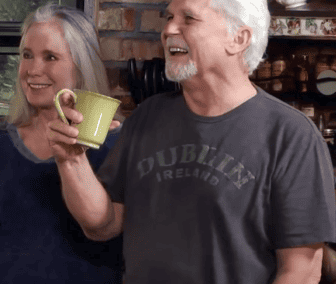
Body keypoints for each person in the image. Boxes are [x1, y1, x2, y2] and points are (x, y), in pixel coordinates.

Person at [43, 0, 336, 283]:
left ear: (238, 38)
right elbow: (102, 225)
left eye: (188, 18)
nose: (169, 29)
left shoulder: (291, 135)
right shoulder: (147, 117)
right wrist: (71, 159)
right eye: (169, 17)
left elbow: (302, 272)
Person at [0, 3, 123, 284]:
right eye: (27, 55)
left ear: (80, 64)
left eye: (50, 57)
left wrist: (71, 157)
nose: (33, 70)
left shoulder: (116, 140)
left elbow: (101, 228)